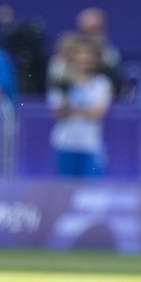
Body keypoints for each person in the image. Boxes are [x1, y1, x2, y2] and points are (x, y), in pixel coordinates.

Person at [47, 34, 113, 178]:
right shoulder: (61, 81)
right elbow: (59, 113)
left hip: (90, 145)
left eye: (88, 55)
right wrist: (68, 93)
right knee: (64, 192)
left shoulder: (101, 83)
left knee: (92, 192)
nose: (84, 59)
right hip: (65, 144)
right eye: (80, 54)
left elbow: (98, 113)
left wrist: (74, 110)